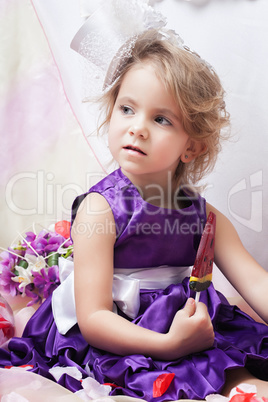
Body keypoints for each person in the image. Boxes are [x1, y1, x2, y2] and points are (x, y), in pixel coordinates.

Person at [1, 17, 268, 402]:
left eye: (161, 119)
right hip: (120, 332)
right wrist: (167, 345)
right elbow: (94, 319)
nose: (137, 128)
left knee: (237, 364)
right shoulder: (99, 211)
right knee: (188, 373)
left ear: (190, 147)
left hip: (185, 323)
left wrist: (182, 337)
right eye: (127, 109)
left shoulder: (203, 217)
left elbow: (256, 282)